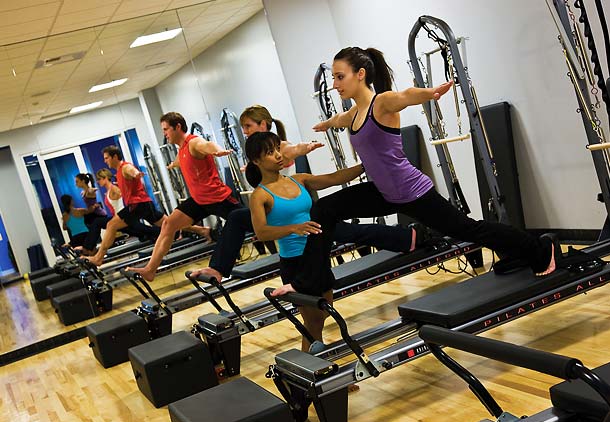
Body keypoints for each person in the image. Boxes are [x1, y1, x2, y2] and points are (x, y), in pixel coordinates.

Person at [272, 46, 556, 305]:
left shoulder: (381, 103)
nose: (335, 84)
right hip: (383, 192)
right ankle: (312, 282)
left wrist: (429, 93)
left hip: (411, 192)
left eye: (339, 77)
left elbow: (405, 96)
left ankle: (540, 248)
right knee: (324, 209)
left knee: (469, 230)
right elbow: (339, 120)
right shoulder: (354, 113)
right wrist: (325, 125)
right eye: (334, 78)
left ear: (360, 74)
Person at [190, 105, 419, 283]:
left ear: (263, 124)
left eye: (248, 126)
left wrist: (305, 148)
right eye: (244, 127)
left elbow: (295, 151)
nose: (245, 131)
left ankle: (408, 237)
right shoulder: (257, 152)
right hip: (278, 212)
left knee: (351, 231)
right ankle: (218, 268)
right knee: (237, 218)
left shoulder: (280, 147)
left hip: (296, 210)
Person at [246, 131, 365, 352]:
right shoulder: (260, 195)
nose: (278, 155)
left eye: (277, 149)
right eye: (270, 152)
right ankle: (314, 369)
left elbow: (334, 178)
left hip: (317, 257)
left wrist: (366, 165)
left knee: (323, 315)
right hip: (295, 262)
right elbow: (261, 233)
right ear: (256, 161)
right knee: (313, 324)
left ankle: (317, 367)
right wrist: (293, 228)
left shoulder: (298, 179)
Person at [126, 112, 240, 281]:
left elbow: (207, 145)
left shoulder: (193, 142)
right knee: (168, 224)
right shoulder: (182, 149)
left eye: (166, 129)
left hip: (218, 198)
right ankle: (150, 270)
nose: (164, 134)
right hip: (199, 201)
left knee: (252, 223)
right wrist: (173, 164)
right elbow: (182, 160)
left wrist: (218, 151)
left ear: (178, 127)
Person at [84, 146, 166, 266]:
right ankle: (194, 229)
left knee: (111, 225)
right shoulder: (118, 173)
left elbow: (131, 170)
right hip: (144, 204)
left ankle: (98, 258)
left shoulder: (124, 167)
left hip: (137, 204)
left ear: (115, 157)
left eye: (107, 158)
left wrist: (136, 174)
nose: (105, 161)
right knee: (168, 223)